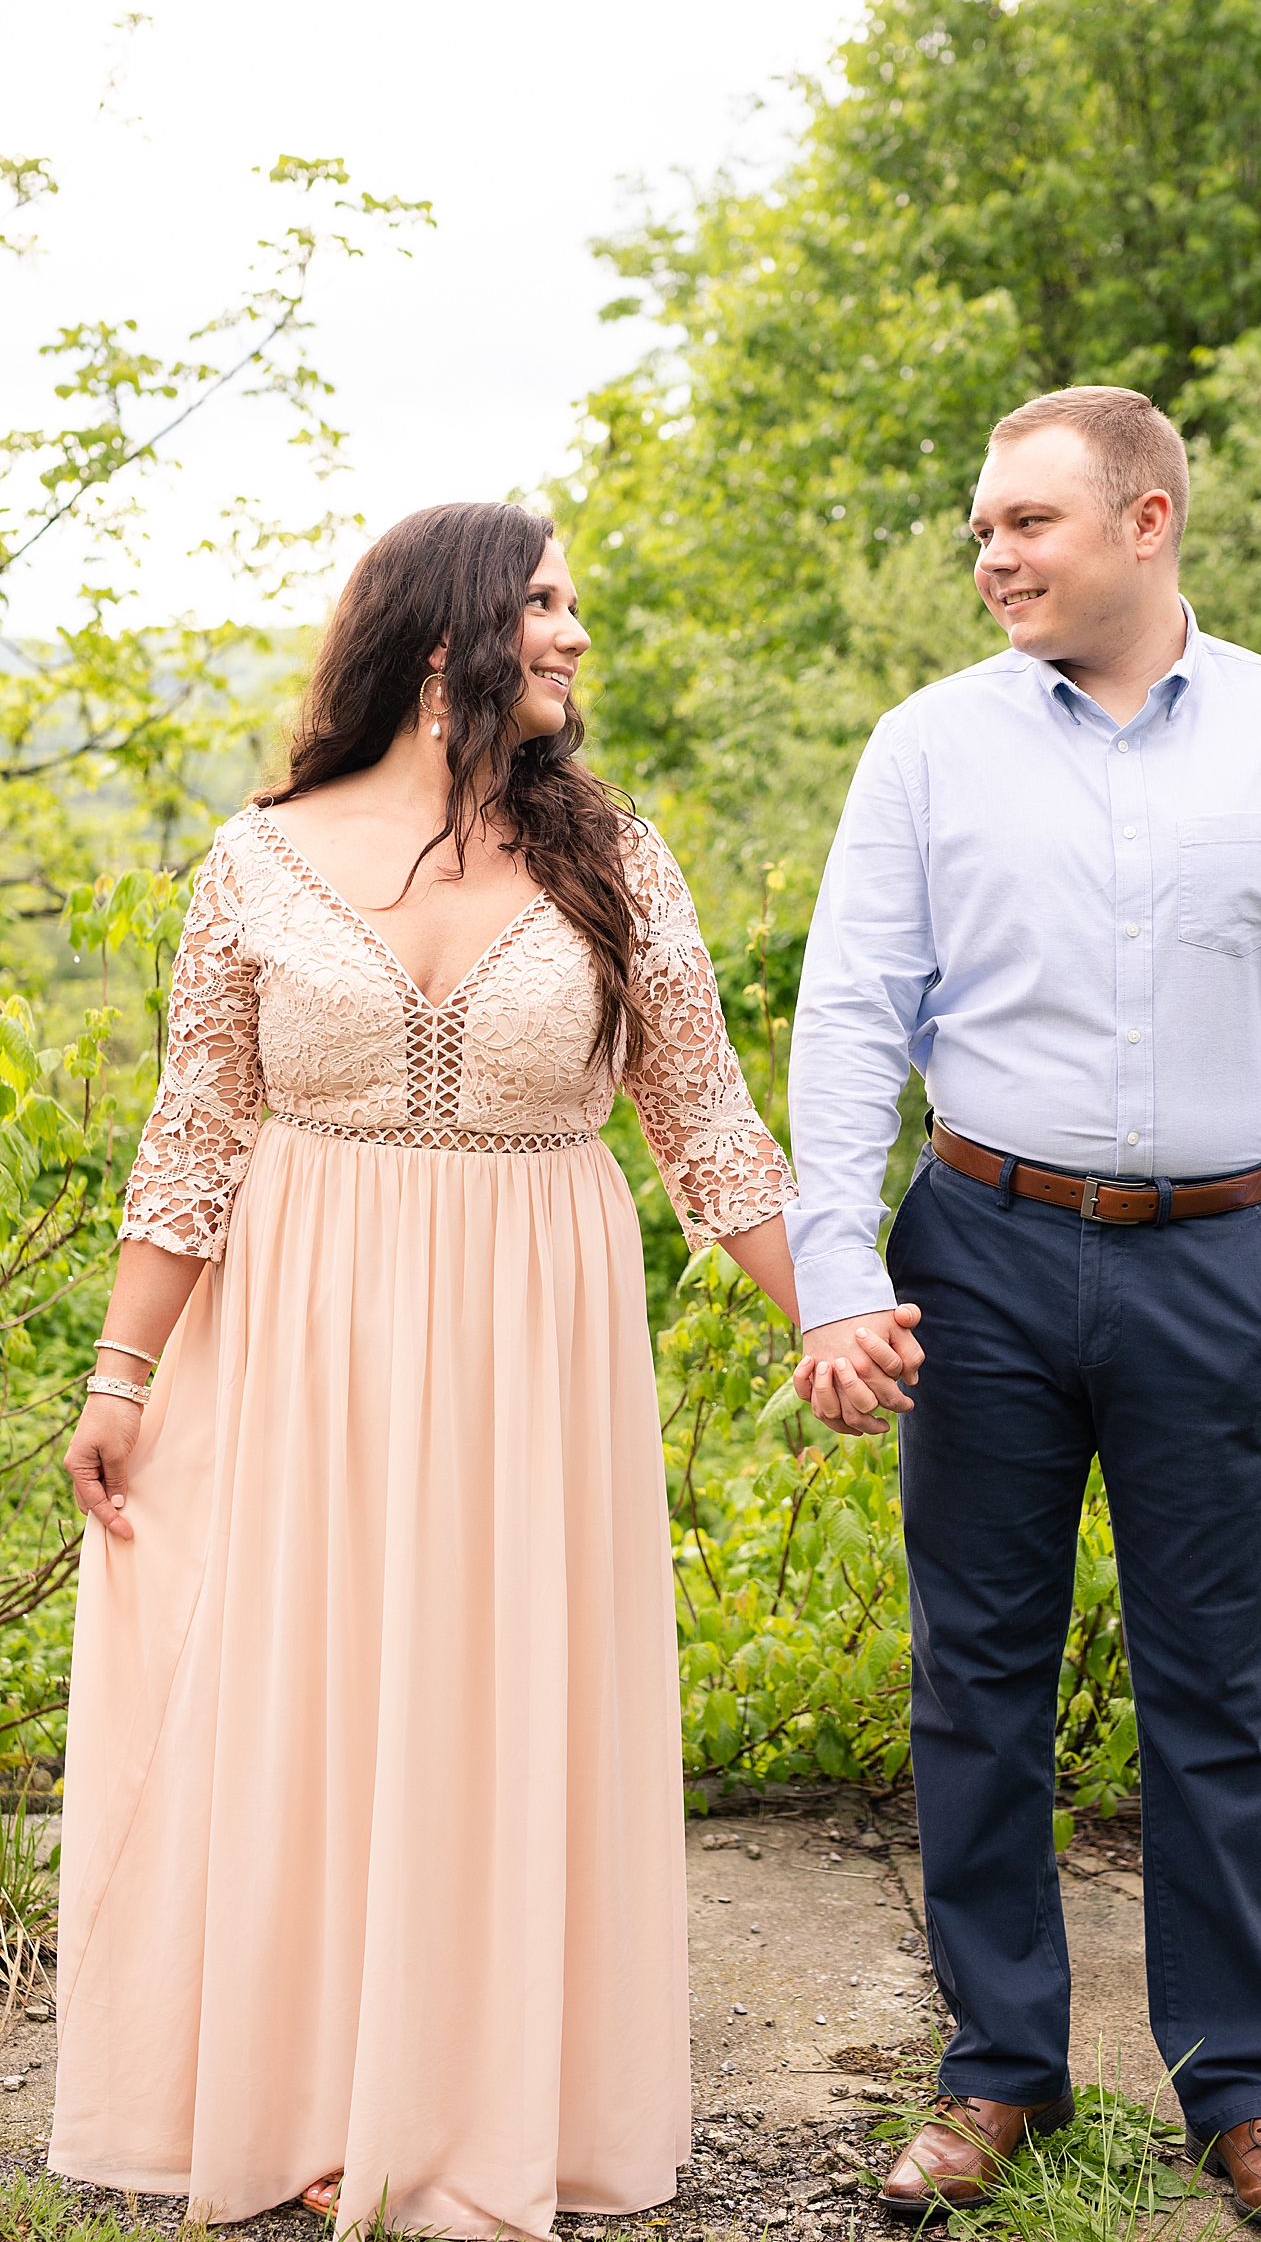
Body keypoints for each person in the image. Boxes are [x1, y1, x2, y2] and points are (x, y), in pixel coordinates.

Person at [51, 502, 803, 2241]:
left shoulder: (617, 853)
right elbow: (197, 1132)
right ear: (449, 632)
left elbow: (707, 1126)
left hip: (535, 1338)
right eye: (546, 601)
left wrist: (830, 1311)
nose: (574, 634)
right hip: (303, 1334)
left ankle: (469, 2106)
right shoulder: (258, 855)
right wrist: (120, 1371)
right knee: (314, 1694)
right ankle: (316, 2098)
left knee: (494, 1695)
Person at [787, 387, 1261, 2235]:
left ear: (1147, 521)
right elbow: (854, 1010)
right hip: (978, 1257)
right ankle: (998, 2070)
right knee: (977, 1684)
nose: (991, 553)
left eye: (1027, 522)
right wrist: (840, 1267)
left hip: (1220, 1264)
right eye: (982, 527)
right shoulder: (927, 748)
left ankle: (1245, 2096)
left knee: (1220, 1703)